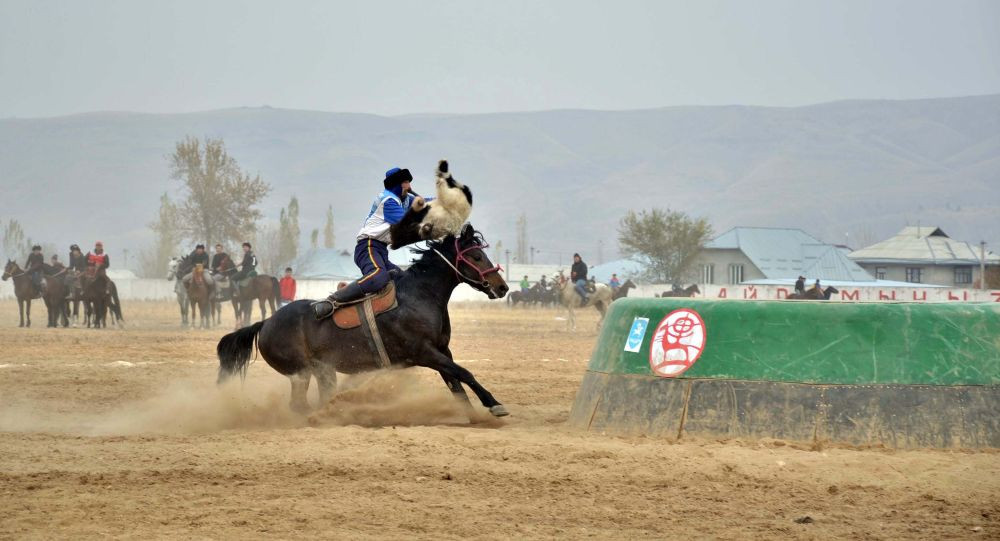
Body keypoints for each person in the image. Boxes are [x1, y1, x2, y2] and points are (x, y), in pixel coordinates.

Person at [314, 166, 431, 318]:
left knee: (403, 280)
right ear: (397, 184)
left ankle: (350, 291)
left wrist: (445, 203)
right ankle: (331, 301)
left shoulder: (403, 199)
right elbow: (406, 222)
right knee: (378, 276)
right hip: (368, 246)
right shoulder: (388, 201)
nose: (410, 186)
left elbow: (426, 203)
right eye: (406, 182)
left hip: (381, 250)